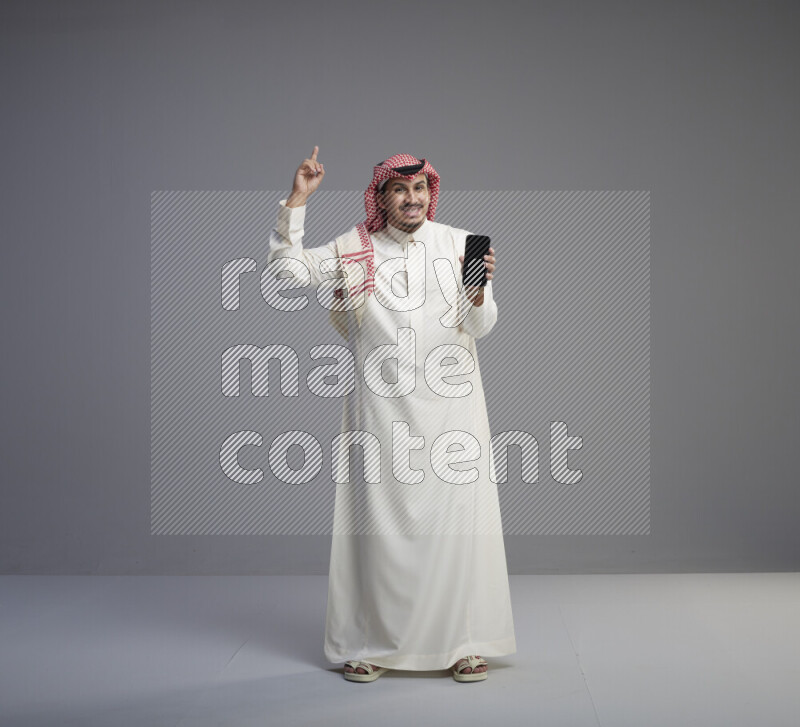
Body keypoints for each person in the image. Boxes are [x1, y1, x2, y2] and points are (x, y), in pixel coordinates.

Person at [267, 147, 516, 682]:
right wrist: (297, 201)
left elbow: (482, 327)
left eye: (420, 189)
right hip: (379, 413)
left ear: (431, 193)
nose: (412, 199)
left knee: (456, 529)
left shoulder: (458, 243)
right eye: (400, 190)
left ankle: (462, 644)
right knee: (379, 528)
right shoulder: (356, 248)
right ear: (381, 197)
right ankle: (372, 643)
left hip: (453, 412)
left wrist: (477, 295)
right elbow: (287, 277)